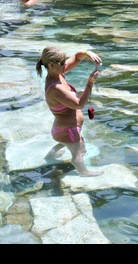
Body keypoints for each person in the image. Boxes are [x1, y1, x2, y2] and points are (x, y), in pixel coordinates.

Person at [36, 47, 104, 177]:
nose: (65, 64)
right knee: (79, 152)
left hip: (65, 129)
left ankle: (51, 154)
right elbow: (79, 104)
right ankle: (84, 172)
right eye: (62, 62)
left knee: (72, 144)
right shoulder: (56, 87)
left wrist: (86, 53)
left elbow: (77, 57)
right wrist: (90, 83)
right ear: (51, 65)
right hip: (67, 130)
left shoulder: (57, 73)